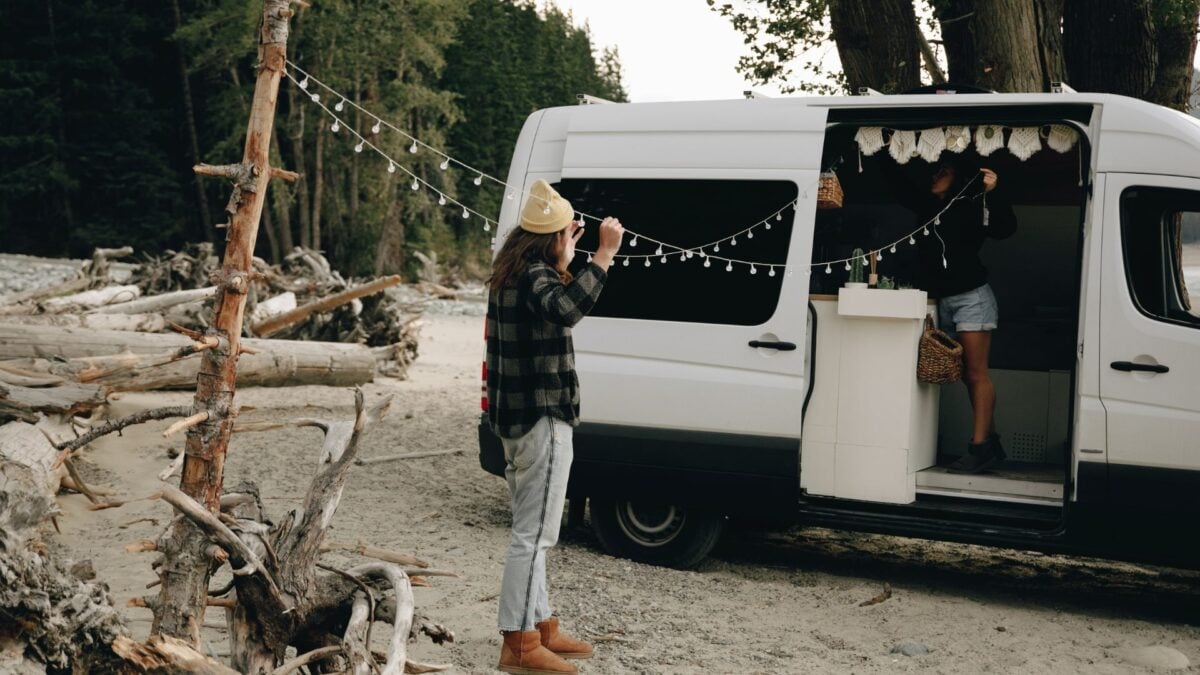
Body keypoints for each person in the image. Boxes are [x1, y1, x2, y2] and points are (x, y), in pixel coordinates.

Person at [485, 179, 624, 674]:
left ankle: (540, 624)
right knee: (535, 534)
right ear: (551, 237)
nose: (575, 237)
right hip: (542, 419)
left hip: (514, 422)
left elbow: (549, 308)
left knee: (534, 529)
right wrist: (603, 257)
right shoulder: (534, 276)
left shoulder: (514, 272)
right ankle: (519, 644)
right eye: (569, 232)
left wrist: (567, 261)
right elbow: (568, 310)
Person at [907, 157, 1017, 474]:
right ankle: (990, 443)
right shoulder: (929, 209)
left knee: (975, 374)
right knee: (967, 375)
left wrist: (993, 192)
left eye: (944, 171)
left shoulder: (971, 205)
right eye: (935, 170)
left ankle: (979, 448)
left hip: (972, 298)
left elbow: (1004, 229)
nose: (936, 175)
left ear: (958, 178)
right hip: (944, 300)